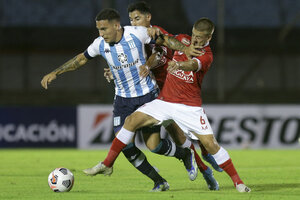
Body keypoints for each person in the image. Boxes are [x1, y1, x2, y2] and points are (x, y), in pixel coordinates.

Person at [82, 17, 251, 193]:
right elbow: (162, 39)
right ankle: (107, 164)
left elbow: (192, 64)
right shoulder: (182, 41)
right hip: (165, 101)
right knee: (131, 121)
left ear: (208, 38)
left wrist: (179, 65)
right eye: (194, 35)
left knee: (210, 144)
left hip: (189, 107)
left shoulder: (206, 55)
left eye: (200, 37)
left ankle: (237, 182)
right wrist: (151, 30)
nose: (195, 39)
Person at [41, 8, 199, 192]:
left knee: (153, 146)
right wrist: (56, 72)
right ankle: (159, 182)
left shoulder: (136, 34)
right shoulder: (99, 44)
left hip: (147, 96)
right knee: (124, 144)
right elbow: (80, 59)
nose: (101, 34)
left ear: (116, 26)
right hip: (123, 101)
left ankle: (185, 154)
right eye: (98, 30)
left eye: (104, 29)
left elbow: (164, 40)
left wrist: (185, 48)